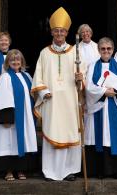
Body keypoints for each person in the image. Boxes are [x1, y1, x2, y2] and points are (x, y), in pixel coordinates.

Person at [31, 7, 85, 181]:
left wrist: (80, 79)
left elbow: (82, 78)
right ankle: (50, 171)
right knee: (52, 132)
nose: (59, 34)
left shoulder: (75, 52)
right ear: (52, 32)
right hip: (51, 101)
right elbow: (37, 76)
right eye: (56, 31)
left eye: (62, 31)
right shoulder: (44, 53)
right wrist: (44, 92)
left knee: (70, 133)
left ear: (67, 32)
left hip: (70, 100)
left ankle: (69, 171)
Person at [85, 37, 117, 179]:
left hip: (116, 105)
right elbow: (89, 87)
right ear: (98, 50)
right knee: (100, 138)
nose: (106, 51)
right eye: (103, 49)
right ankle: (100, 171)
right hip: (99, 107)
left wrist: (114, 90)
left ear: (113, 50)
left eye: (108, 48)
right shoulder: (92, 66)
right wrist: (103, 92)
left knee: (116, 138)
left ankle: (116, 170)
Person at [0, 49, 38, 181]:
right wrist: (6, 119)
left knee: (24, 142)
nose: (15, 62)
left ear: (22, 61)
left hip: (26, 117)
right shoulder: (4, 78)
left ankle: (21, 170)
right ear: (7, 62)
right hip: (11, 119)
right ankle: (9, 170)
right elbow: (0, 100)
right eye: (12, 60)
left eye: (18, 59)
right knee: (9, 143)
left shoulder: (27, 76)